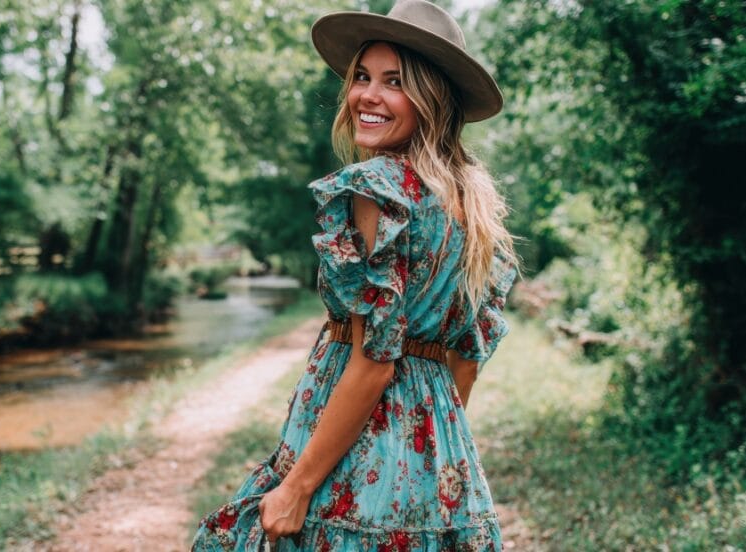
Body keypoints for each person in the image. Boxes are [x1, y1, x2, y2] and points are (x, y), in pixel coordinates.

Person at [192, 1, 519, 549]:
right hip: (439, 457)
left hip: (356, 456)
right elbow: (464, 360)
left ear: (432, 98)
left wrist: (298, 486)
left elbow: (374, 363)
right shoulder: (470, 203)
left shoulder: (378, 188)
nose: (367, 95)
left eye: (395, 82)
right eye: (362, 77)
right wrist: (419, 449)